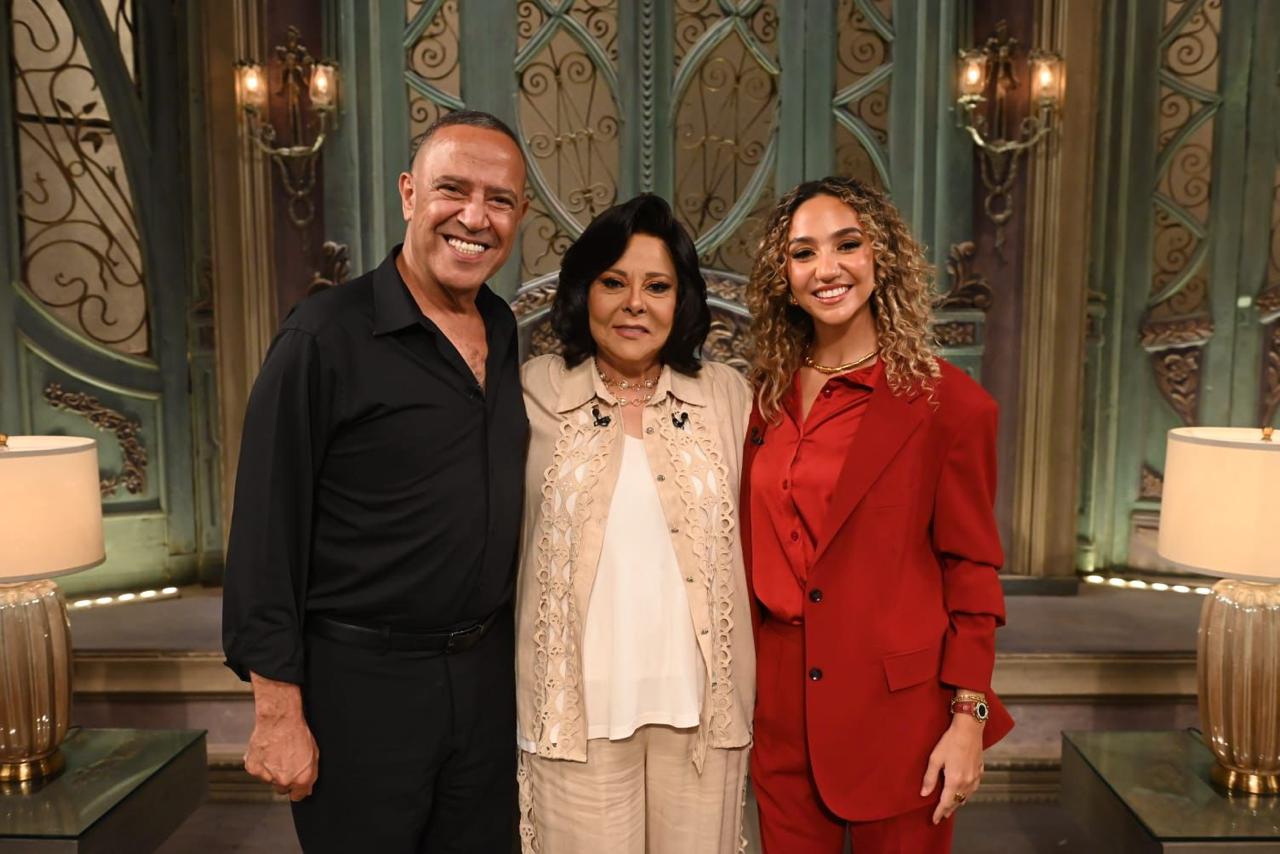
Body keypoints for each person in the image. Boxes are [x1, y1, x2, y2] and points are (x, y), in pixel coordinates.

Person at [221, 110, 530, 853]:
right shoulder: (323, 335)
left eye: (499, 200)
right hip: (360, 689)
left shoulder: (502, 328)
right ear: (408, 195)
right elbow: (265, 532)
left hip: (485, 683)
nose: (475, 218)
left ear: (519, 217)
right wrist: (276, 713)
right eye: (453, 190)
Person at [741, 176, 1014, 853]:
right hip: (778, 708)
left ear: (881, 258)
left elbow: (972, 570)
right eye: (803, 253)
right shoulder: (760, 399)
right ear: (784, 277)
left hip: (900, 716)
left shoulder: (949, 405)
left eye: (847, 245)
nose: (826, 268)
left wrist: (969, 716)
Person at [514, 194, 755, 853]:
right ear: (583, 291)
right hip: (574, 717)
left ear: (682, 300)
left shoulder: (727, 397)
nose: (634, 305)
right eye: (613, 282)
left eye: (657, 286)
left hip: (702, 717)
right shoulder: (532, 391)